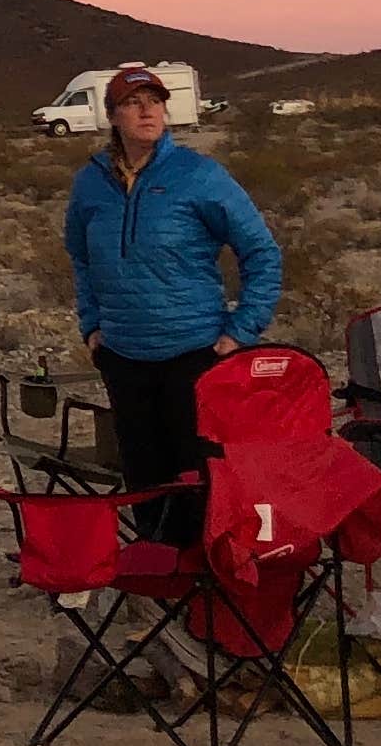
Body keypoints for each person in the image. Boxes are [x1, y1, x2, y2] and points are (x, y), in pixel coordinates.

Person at [64, 66, 279, 546]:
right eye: (133, 102)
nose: (147, 111)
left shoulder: (199, 176)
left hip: (196, 353)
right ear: (113, 115)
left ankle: (208, 583)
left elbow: (261, 253)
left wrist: (243, 328)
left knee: (198, 477)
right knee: (143, 477)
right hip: (122, 355)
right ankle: (159, 579)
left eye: (155, 101)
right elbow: (80, 256)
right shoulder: (91, 184)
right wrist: (92, 325)